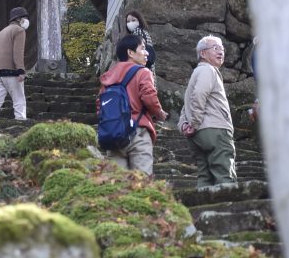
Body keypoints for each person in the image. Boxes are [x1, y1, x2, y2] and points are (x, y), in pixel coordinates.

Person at [97, 34, 168, 176]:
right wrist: (159, 113)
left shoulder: (108, 76)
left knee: (116, 181)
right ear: (130, 52)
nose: (147, 53)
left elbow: (100, 105)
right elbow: (149, 97)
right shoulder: (143, 72)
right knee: (141, 180)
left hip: (114, 134)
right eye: (142, 48)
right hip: (138, 131)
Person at [178, 34, 237, 189]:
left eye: (222, 48)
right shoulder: (208, 70)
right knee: (224, 173)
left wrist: (184, 124)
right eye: (215, 48)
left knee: (205, 176)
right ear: (203, 53)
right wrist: (194, 122)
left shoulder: (196, 73)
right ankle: (227, 203)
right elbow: (199, 95)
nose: (221, 51)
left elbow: (187, 103)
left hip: (198, 135)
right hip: (215, 129)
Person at [0, 7, 30, 120]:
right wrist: (20, 70)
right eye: (25, 17)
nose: (27, 20)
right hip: (11, 71)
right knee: (19, 99)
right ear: (18, 19)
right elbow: (18, 52)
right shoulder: (19, 30)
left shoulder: (0, 33)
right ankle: (20, 123)